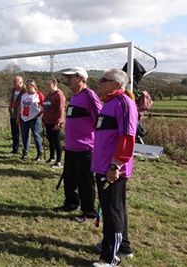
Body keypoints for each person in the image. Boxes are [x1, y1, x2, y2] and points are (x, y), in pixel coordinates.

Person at [91, 69, 137, 267]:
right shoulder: (108, 102)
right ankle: (123, 247)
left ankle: (111, 258)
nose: (100, 82)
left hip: (112, 170)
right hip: (102, 167)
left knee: (112, 212)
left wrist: (115, 164)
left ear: (117, 84)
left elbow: (127, 137)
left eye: (104, 80)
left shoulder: (123, 103)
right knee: (115, 209)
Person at [54, 67, 102, 223]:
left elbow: (100, 121)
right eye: (66, 77)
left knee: (85, 182)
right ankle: (71, 203)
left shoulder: (89, 96)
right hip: (71, 147)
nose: (67, 80)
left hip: (85, 148)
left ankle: (88, 211)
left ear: (81, 78)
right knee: (69, 179)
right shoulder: (74, 96)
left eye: (71, 77)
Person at [17, 79, 44, 161]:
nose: (28, 88)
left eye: (30, 86)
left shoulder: (38, 95)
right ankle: (25, 152)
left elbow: (44, 107)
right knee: (24, 136)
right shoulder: (24, 95)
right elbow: (20, 106)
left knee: (36, 136)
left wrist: (39, 114)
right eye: (27, 86)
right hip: (24, 119)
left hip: (34, 119)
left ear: (34, 86)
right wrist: (18, 116)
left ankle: (39, 154)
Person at [42, 78, 66, 168]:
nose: (47, 86)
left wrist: (59, 122)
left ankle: (59, 162)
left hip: (55, 123)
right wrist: (43, 120)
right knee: (50, 140)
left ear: (54, 84)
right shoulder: (48, 95)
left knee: (56, 142)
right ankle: (52, 157)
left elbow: (61, 109)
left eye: (49, 84)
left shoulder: (59, 95)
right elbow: (45, 108)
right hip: (47, 121)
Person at [8, 76, 26, 154]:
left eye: (15, 82)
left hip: (21, 114)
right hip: (12, 114)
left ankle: (24, 149)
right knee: (14, 132)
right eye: (13, 81)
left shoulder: (25, 91)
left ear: (20, 82)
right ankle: (15, 148)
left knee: (21, 133)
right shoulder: (13, 90)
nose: (13, 83)